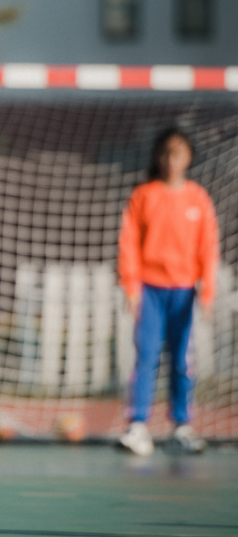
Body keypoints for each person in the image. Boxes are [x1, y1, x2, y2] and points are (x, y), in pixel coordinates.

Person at [116, 127, 219, 456]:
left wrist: (207, 291)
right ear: (158, 157)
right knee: (146, 356)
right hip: (149, 290)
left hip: (184, 292)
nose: (171, 160)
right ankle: (138, 425)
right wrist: (130, 285)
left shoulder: (198, 198)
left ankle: (181, 425)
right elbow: (129, 243)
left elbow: (208, 249)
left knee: (182, 360)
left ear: (188, 157)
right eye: (165, 153)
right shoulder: (144, 195)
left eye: (178, 153)